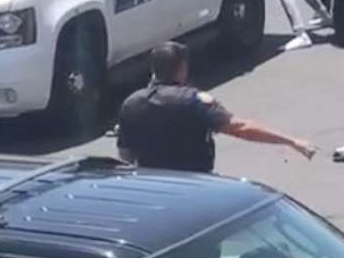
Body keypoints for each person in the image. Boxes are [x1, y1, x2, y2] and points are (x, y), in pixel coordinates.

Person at [118, 42, 315, 172]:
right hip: (195, 184)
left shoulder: (132, 103)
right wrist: (291, 141)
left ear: (154, 69)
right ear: (182, 69)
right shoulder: (194, 101)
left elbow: (126, 155)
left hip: (152, 187)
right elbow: (241, 128)